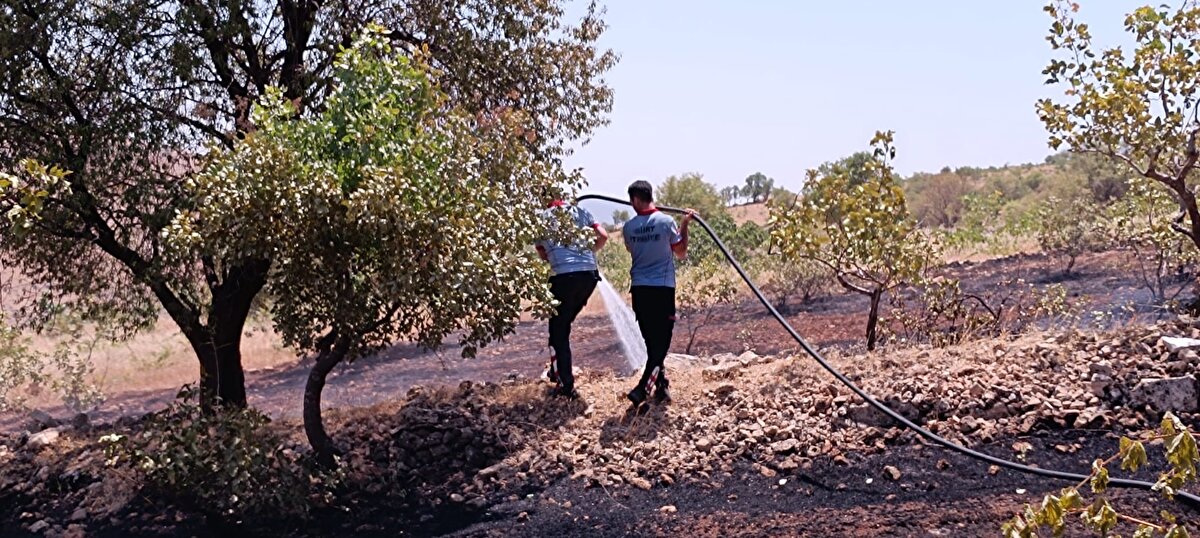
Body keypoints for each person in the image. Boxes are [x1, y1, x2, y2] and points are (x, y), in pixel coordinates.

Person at [621, 180, 695, 406]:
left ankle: (661, 386)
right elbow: (680, 252)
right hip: (662, 290)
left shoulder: (628, 227)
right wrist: (685, 224)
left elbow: (631, 249)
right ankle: (642, 389)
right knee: (661, 344)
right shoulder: (666, 222)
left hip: (640, 290)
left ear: (635, 200)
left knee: (652, 343)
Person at [535, 196, 608, 399]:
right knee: (563, 324)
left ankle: (564, 386)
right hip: (589, 276)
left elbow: (543, 255)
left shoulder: (541, 218)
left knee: (558, 331)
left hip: (564, 278)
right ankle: (557, 369)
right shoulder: (581, 212)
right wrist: (585, 252)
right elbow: (602, 236)